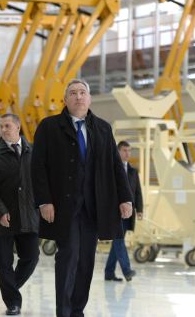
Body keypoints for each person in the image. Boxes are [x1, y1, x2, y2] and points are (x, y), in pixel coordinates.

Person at [31, 79, 133, 317]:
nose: (78, 97)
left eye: (83, 93)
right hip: (64, 207)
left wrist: (125, 198)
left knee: (86, 262)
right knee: (68, 257)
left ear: (90, 99)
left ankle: (77, 310)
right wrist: (44, 201)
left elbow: (116, 166)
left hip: (93, 207)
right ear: (65, 100)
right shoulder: (49, 127)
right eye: (73, 93)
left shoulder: (103, 128)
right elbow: (37, 167)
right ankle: (64, 312)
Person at [0, 113, 39, 316]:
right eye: (1, 126)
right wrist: (0, 210)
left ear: (18, 127)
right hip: (4, 218)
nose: (3, 129)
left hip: (29, 215)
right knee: (4, 263)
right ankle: (13, 302)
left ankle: (10, 289)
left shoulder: (34, 151)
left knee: (31, 258)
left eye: (7, 125)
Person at [104, 141, 143, 282]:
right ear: (118, 151)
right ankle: (127, 271)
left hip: (129, 214)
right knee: (119, 241)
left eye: (129, 150)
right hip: (115, 213)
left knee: (117, 243)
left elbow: (137, 192)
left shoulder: (133, 171)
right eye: (125, 150)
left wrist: (139, 209)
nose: (128, 153)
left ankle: (109, 272)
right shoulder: (110, 169)